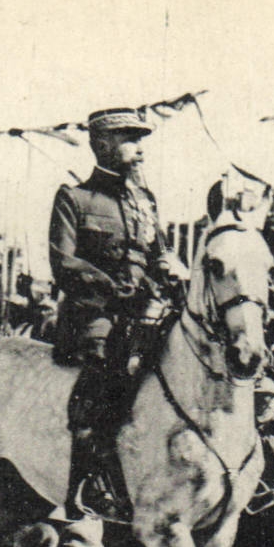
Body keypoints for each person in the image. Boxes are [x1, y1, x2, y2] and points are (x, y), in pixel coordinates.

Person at [50, 106, 186, 517]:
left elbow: (158, 252)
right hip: (97, 315)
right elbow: (63, 262)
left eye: (141, 139)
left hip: (147, 309)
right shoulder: (75, 198)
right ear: (102, 144)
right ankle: (86, 480)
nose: (139, 148)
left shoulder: (145, 201)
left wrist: (172, 268)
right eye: (130, 139)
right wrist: (116, 290)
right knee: (104, 371)